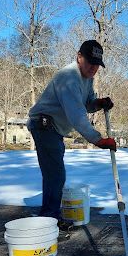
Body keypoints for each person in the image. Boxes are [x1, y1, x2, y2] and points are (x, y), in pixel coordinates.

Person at [27, 39, 116, 229]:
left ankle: (49, 215)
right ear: (79, 57)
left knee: (55, 173)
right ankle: (49, 220)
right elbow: (77, 114)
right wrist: (98, 139)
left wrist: (99, 103)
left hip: (54, 128)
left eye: (97, 65)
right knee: (56, 174)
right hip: (44, 124)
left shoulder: (86, 78)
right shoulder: (68, 77)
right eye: (90, 62)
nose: (93, 68)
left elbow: (87, 103)